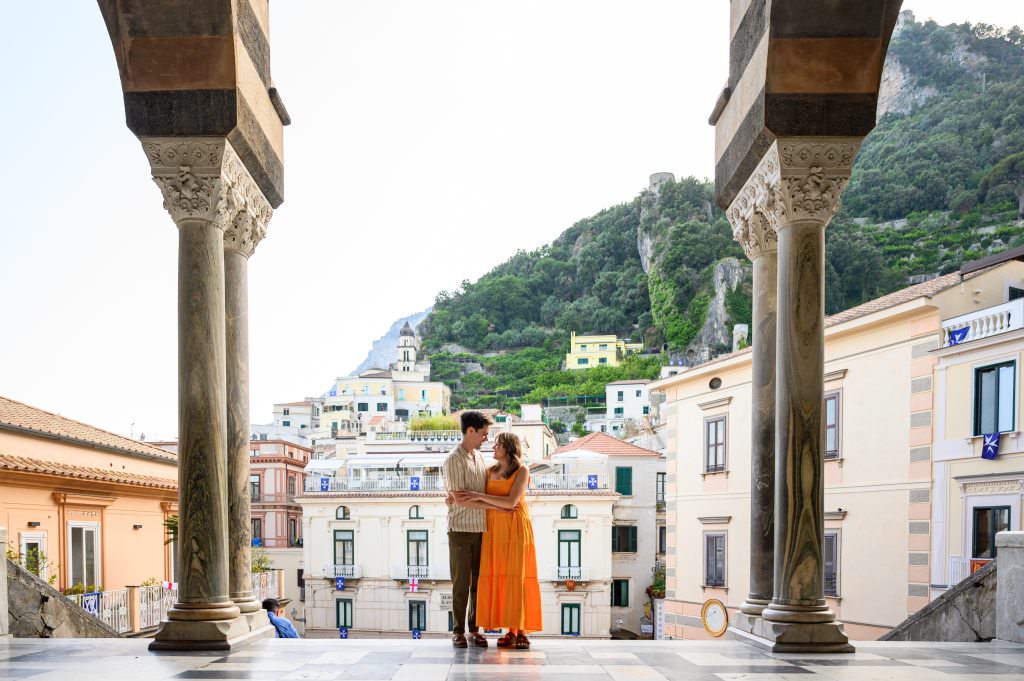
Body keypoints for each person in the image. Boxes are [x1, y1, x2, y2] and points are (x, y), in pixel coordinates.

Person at [453, 432, 542, 649]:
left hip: (516, 527)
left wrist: (479, 496)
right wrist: (455, 496)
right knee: (500, 576)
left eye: (498, 444)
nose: (494, 447)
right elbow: (475, 494)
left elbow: (511, 502)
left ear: (509, 448)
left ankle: (520, 631)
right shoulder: (489, 471)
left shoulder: (522, 470)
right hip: (492, 529)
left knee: (517, 577)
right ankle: (509, 631)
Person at [441, 410, 492, 648]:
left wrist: (475, 497)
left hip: (481, 529)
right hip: (460, 529)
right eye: (483, 434)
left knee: (478, 583)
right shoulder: (453, 459)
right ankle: (458, 631)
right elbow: (460, 499)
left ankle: (474, 629)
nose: (486, 438)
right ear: (470, 431)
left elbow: (473, 494)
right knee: (461, 583)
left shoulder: (480, 458)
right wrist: (491, 503)